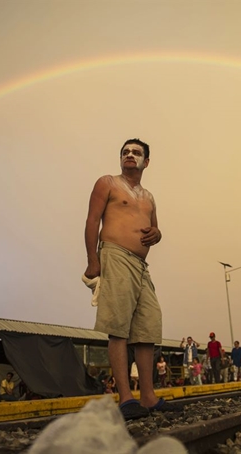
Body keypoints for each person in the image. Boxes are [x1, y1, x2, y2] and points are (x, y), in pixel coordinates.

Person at [84, 138, 180, 419]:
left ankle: (148, 397)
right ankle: (126, 398)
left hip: (141, 264)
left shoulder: (148, 197)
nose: (129, 155)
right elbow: (92, 221)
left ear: (146, 162)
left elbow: (156, 229)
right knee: (119, 327)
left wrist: (157, 235)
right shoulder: (108, 183)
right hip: (115, 255)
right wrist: (93, 260)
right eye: (125, 152)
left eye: (136, 152)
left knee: (148, 327)